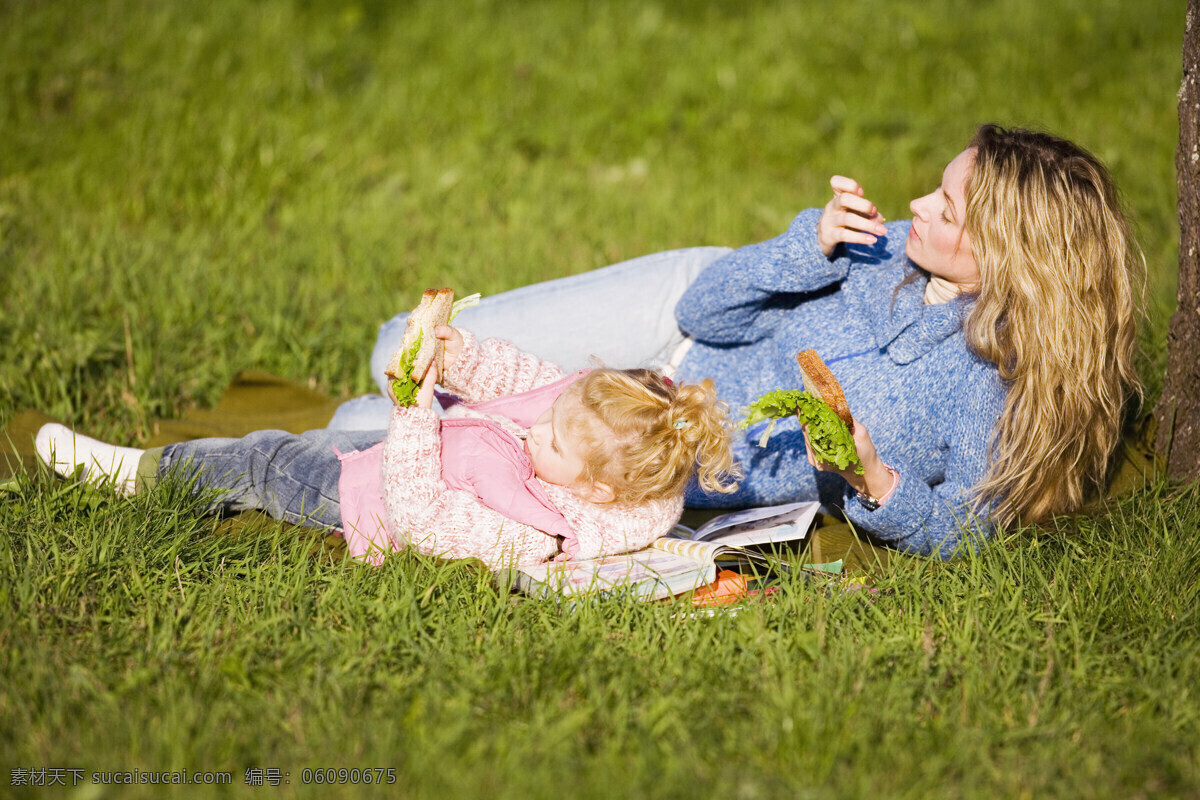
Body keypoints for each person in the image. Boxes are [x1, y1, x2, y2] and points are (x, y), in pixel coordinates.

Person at [338, 124, 1144, 559]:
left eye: (946, 207)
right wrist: (811, 248)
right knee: (393, 352)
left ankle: (369, 431)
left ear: (1007, 258)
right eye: (937, 186)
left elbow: (974, 524)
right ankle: (398, 412)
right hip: (671, 328)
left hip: (653, 438)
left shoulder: (985, 390)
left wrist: (878, 481)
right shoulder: (880, 245)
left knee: (370, 437)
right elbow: (706, 311)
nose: (915, 204)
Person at [36, 326, 740, 569]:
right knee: (317, 438)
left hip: (372, 495)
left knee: (265, 461)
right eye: (551, 418)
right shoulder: (593, 439)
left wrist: (412, 415)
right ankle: (187, 473)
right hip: (418, 444)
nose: (537, 428)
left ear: (594, 492)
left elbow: (420, 515)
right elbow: (526, 381)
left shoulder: (534, 527)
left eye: (552, 441)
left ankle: (134, 474)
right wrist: (459, 355)